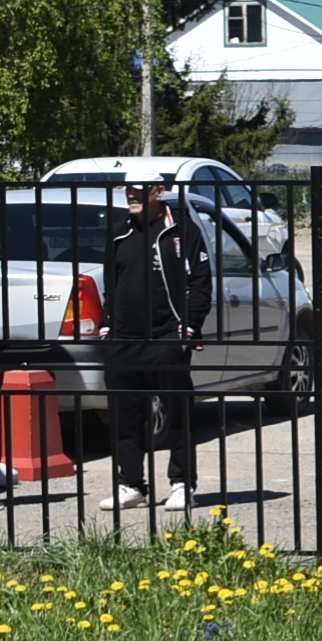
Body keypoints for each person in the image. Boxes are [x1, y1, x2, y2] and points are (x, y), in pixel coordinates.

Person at [100, 179, 210, 513]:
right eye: (127, 190)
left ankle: (181, 484)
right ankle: (131, 485)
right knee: (125, 416)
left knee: (177, 413)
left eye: (139, 189)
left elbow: (201, 282)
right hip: (124, 341)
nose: (131, 195)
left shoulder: (182, 231)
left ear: (158, 193)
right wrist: (108, 326)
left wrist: (188, 329)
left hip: (167, 338)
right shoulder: (119, 233)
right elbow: (111, 282)